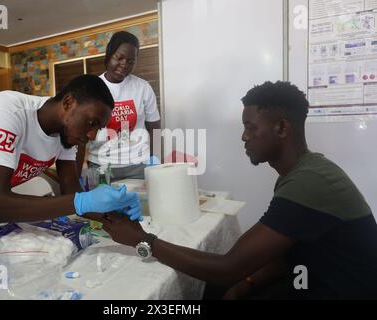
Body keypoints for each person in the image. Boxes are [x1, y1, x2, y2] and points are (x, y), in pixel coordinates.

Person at [97, 81, 377, 299]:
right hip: (311, 279)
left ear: (281, 128)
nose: (243, 136)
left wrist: (142, 240)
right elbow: (283, 252)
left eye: (250, 127)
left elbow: (226, 268)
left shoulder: (310, 182)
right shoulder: (302, 173)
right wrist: (246, 284)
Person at [0, 74, 142, 250]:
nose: (93, 135)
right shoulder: (7, 113)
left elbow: (71, 193)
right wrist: (82, 201)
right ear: (68, 103)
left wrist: (112, 210)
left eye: (99, 128)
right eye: (91, 123)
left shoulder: (66, 133)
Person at [86, 31, 161, 181]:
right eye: (119, 58)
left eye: (130, 61)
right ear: (109, 55)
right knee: (102, 204)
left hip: (138, 164)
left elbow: (155, 128)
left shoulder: (143, 87)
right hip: (100, 165)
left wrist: (155, 159)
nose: (124, 65)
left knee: (141, 204)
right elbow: (82, 134)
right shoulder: (92, 88)